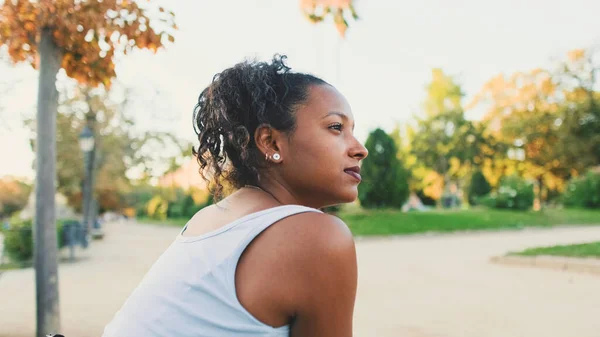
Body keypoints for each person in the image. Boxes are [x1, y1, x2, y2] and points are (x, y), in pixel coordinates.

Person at [102, 54, 368, 337]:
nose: (360, 149)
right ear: (270, 142)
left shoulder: (210, 219)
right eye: (336, 128)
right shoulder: (318, 237)